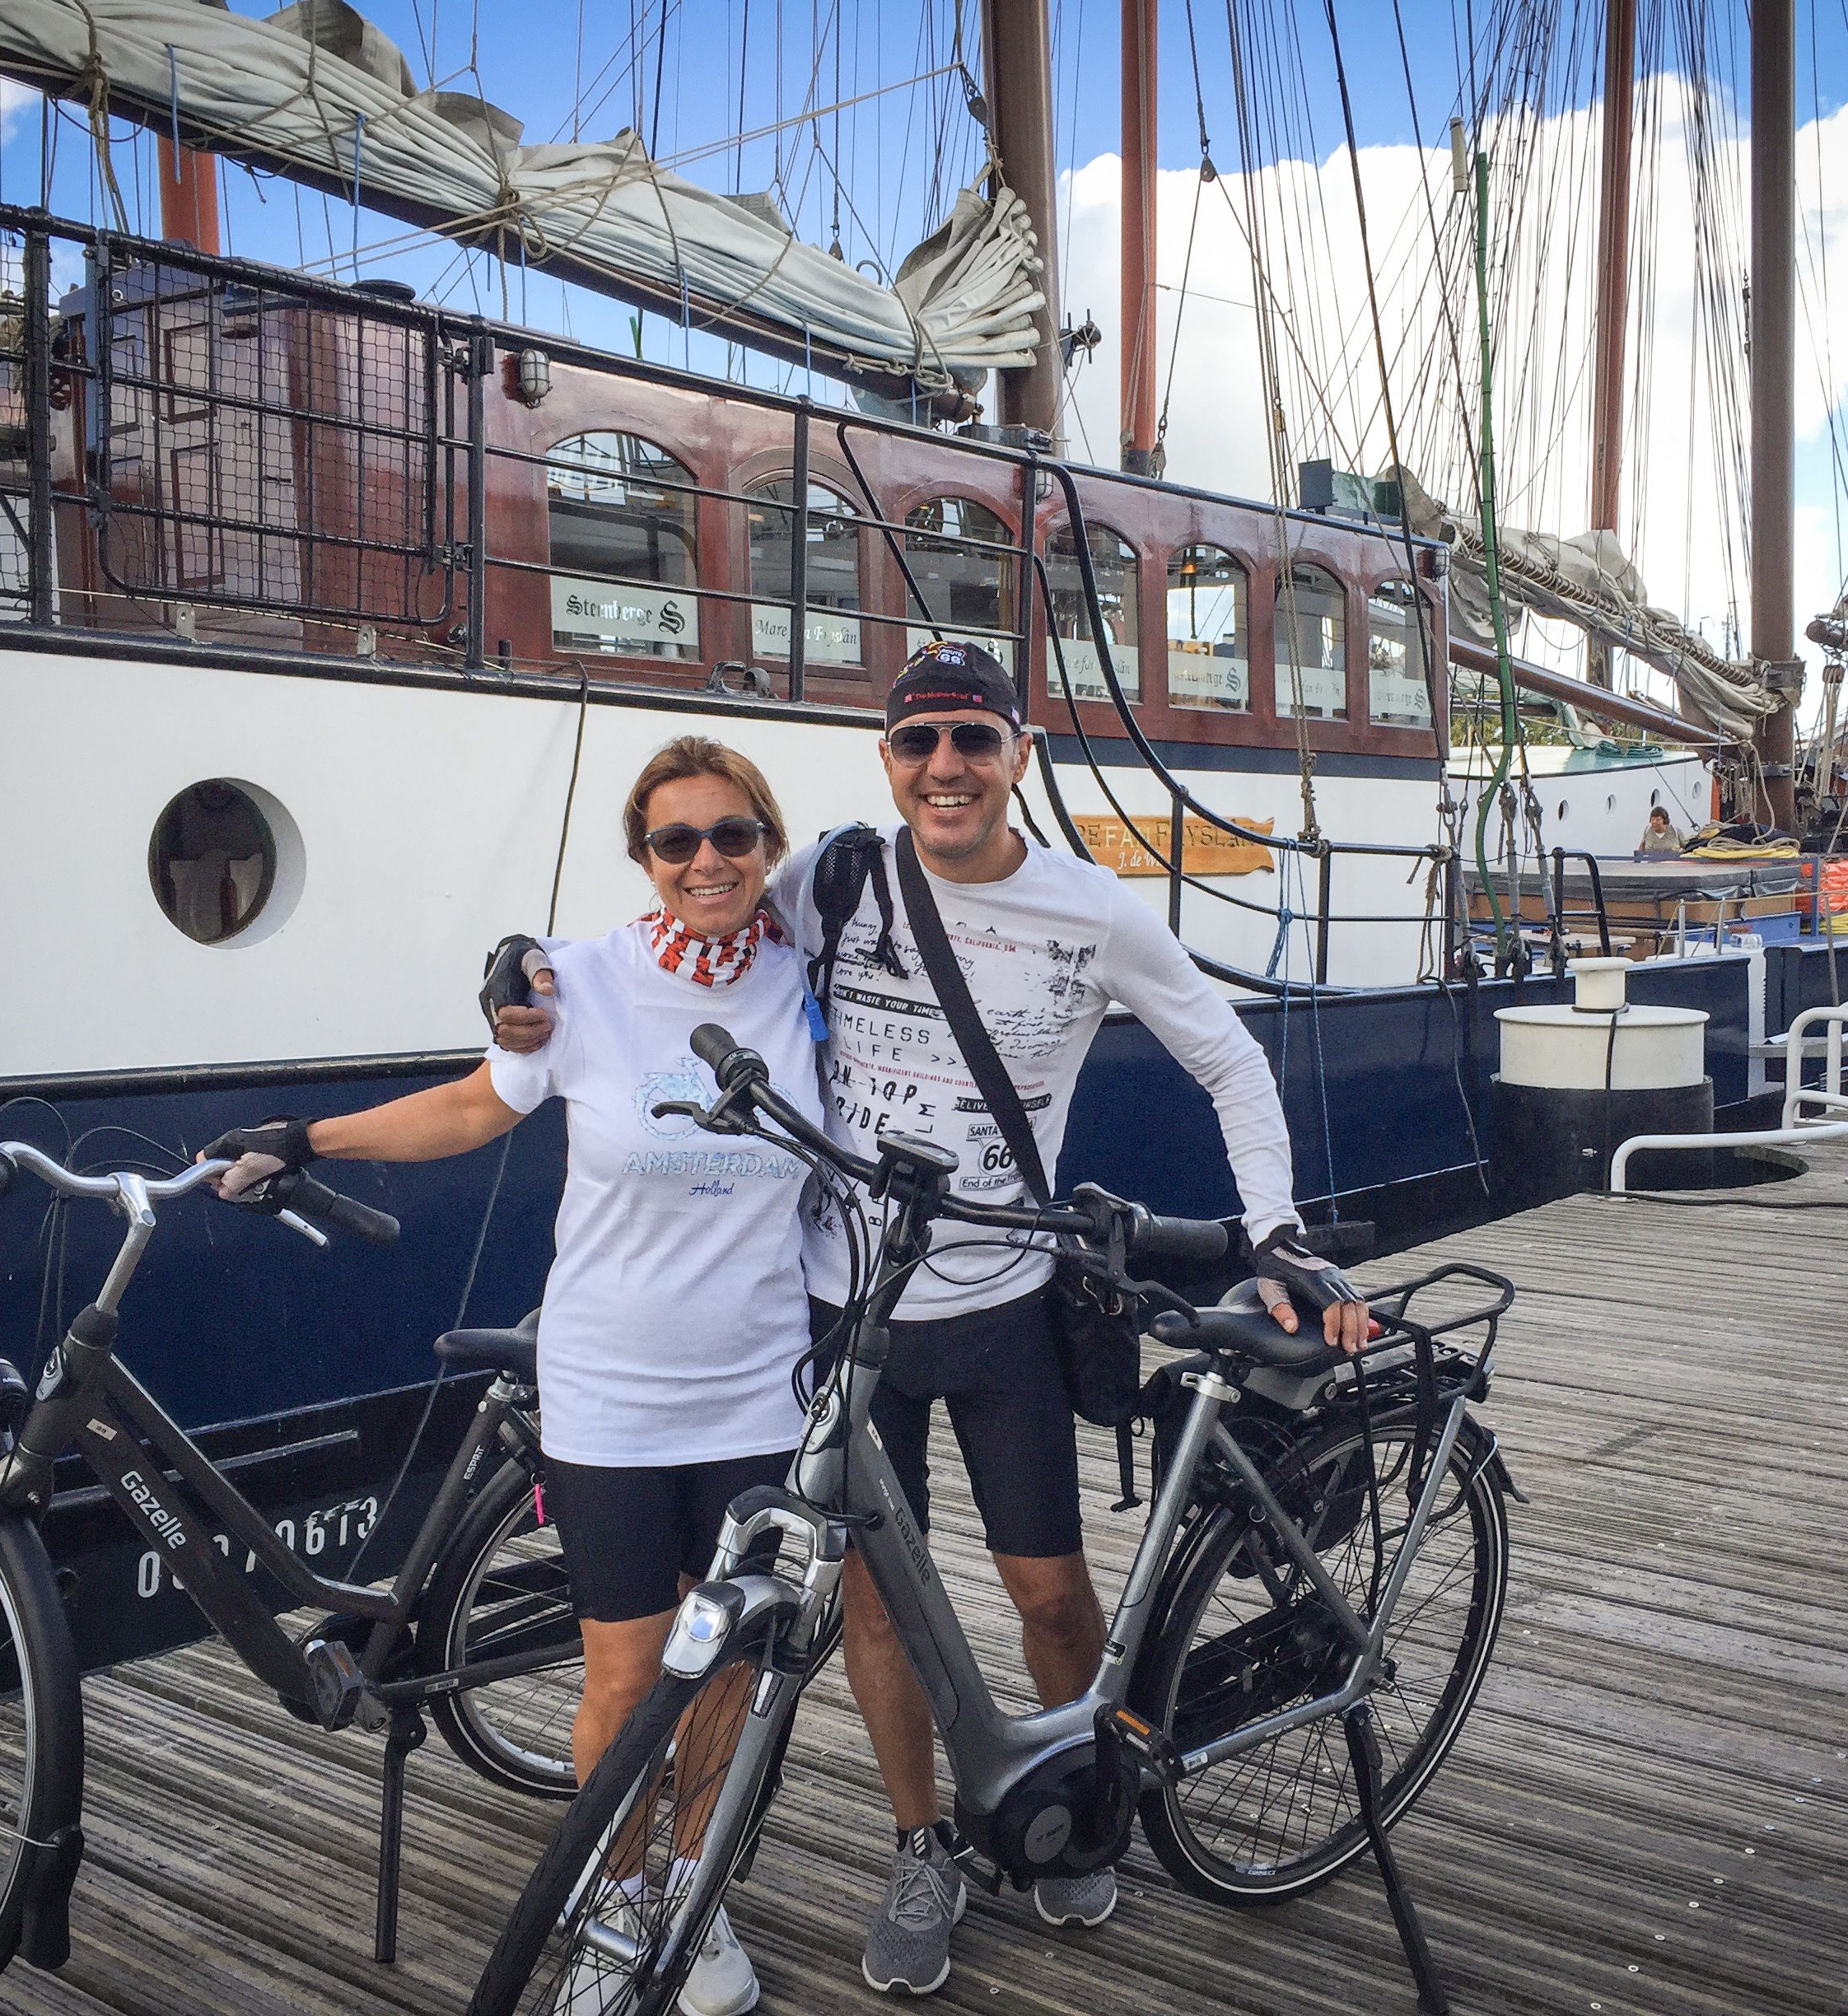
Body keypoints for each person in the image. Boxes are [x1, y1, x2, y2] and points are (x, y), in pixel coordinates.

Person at [498, 639, 1371, 1997]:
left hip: (1001, 1304)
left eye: (973, 738)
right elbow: (684, 933)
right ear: (889, 761)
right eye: (918, 743)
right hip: (841, 1317)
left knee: (1046, 1591)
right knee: (875, 1618)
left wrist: (1274, 1235)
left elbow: (1228, 1060)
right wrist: (529, 985)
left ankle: (1082, 1798)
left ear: (1018, 751)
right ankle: (923, 1844)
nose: (945, 766)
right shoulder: (835, 878)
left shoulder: (1094, 912)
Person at [210, 735, 820, 2016]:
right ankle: (616, 1906)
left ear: (770, 846)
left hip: (758, 1387)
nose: (707, 860)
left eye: (732, 835)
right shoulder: (581, 983)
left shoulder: (806, 974)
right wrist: (305, 1137)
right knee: (622, 1671)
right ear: (644, 860)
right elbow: (478, 1108)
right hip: (609, 1392)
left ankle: (691, 1903)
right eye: (676, 841)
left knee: (727, 1674)